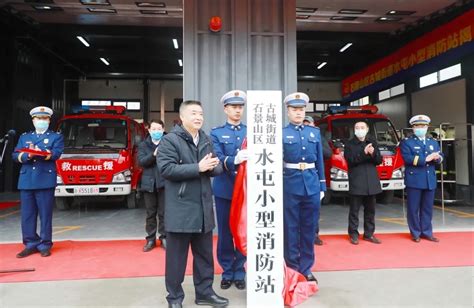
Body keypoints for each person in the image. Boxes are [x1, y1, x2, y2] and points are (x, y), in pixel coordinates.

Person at [157, 100, 228, 308]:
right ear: (183, 117)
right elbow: (166, 170)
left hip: (203, 208)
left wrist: (216, 167)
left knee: (205, 257)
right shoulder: (170, 140)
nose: (198, 117)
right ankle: (174, 298)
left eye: (201, 114)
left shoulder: (205, 138)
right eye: (194, 113)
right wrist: (198, 167)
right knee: (176, 260)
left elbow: (212, 166)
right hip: (181, 209)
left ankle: (204, 293)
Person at [282, 92, 326, 283]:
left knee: (309, 229)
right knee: (291, 228)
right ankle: (291, 267)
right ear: (288, 111)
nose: (298, 113)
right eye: (294, 109)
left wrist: (322, 184)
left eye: (301, 109)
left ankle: (306, 268)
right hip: (290, 185)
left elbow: (320, 162)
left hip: (311, 184)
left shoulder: (314, 133)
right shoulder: (282, 133)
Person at [12, 106, 64, 258]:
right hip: (27, 179)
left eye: (44, 118)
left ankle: (45, 244)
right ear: (33, 120)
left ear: (49, 120)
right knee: (27, 215)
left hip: (45, 180)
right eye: (38, 118)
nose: (41, 121)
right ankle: (30, 243)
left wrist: (42, 153)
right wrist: (27, 155)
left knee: (45, 215)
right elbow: (15, 155)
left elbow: (57, 153)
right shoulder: (25, 137)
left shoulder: (55, 137)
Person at [210, 90, 247, 290]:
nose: (237, 110)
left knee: (242, 230)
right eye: (233, 107)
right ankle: (227, 270)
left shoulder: (250, 131)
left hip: (245, 190)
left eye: (240, 107)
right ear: (225, 109)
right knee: (225, 232)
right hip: (225, 188)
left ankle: (240, 270)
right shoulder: (216, 132)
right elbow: (217, 157)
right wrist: (235, 160)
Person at [400, 115, 442, 243]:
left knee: (427, 208)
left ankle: (427, 232)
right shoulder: (407, 142)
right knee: (413, 209)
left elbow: (440, 156)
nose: (420, 128)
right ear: (413, 128)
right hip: (415, 180)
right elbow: (407, 158)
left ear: (427, 127)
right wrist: (426, 159)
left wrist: (437, 158)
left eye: (423, 126)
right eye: (417, 126)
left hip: (430, 179)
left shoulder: (432, 142)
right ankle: (415, 233)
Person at [344, 121, 383, 245]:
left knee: (370, 211)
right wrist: (364, 153)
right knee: (354, 211)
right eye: (357, 128)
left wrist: (373, 153)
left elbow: (379, 160)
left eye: (362, 127)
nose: (359, 130)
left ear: (367, 129)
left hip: (371, 182)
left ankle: (369, 234)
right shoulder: (349, 144)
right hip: (357, 181)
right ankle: (353, 234)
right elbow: (351, 160)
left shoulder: (372, 142)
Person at [138, 119, 166, 252]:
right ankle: (150, 239)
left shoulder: (168, 143)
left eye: (159, 129)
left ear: (163, 129)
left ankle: (164, 237)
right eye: (153, 129)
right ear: (149, 130)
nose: (156, 132)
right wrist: (154, 155)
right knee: (150, 213)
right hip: (148, 184)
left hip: (164, 183)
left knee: (164, 213)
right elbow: (142, 162)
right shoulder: (143, 145)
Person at [304, 115, 329, 246]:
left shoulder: (317, 136)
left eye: (309, 124)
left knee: (314, 210)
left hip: (314, 174)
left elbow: (327, 153)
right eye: (305, 123)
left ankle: (315, 234)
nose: (306, 126)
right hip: (299, 177)